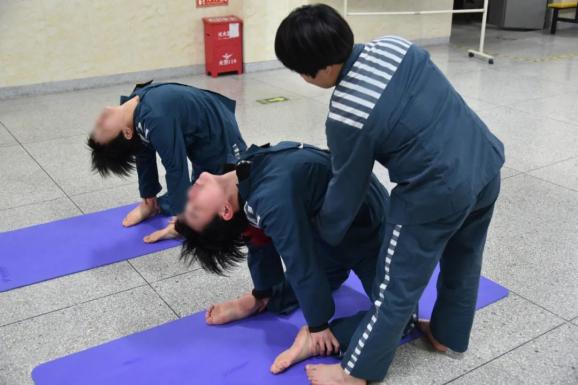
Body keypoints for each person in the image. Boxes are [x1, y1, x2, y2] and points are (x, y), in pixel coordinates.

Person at [274, 4, 504, 385]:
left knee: (393, 286)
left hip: (436, 193)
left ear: (319, 67)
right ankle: (448, 336)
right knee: (464, 258)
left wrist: (323, 233)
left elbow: (347, 188)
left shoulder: (347, 113)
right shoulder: (395, 46)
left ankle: (356, 373)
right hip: (484, 162)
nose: (302, 77)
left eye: (301, 70)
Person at [149, 141, 417, 374]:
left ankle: (292, 312)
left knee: (398, 315)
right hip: (343, 233)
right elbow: (292, 257)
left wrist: (316, 323)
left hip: (361, 226)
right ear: (225, 210)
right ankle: (267, 300)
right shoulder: (263, 199)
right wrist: (310, 321)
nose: (191, 193)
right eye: (196, 208)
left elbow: (275, 244)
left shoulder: (243, 176)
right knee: (396, 312)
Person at [87, 81, 246, 241]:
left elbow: (176, 167)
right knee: (188, 191)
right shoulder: (130, 113)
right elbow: (143, 153)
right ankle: (155, 206)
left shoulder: (155, 117)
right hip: (193, 131)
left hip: (218, 129)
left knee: (226, 194)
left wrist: (182, 221)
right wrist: (148, 199)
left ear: (127, 133)